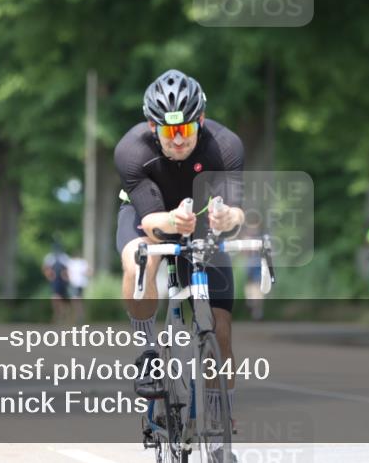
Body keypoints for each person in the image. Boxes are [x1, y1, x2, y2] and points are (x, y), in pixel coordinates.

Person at [114, 69, 244, 452]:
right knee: (139, 260)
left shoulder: (226, 146)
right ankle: (148, 351)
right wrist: (171, 221)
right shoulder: (131, 150)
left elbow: (239, 213)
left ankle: (220, 420)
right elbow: (151, 220)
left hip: (203, 219)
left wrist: (229, 218)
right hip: (148, 215)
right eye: (168, 133)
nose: (178, 142)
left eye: (186, 131)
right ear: (152, 127)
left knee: (221, 330)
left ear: (200, 122)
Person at [42, 244, 71, 323]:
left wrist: (66, 278)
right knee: (55, 297)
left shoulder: (64, 257)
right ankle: (58, 313)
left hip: (63, 281)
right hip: (55, 280)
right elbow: (45, 268)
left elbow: (68, 269)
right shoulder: (50, 257)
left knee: (64, 299)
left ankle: (64, 314)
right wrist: (49, 276)